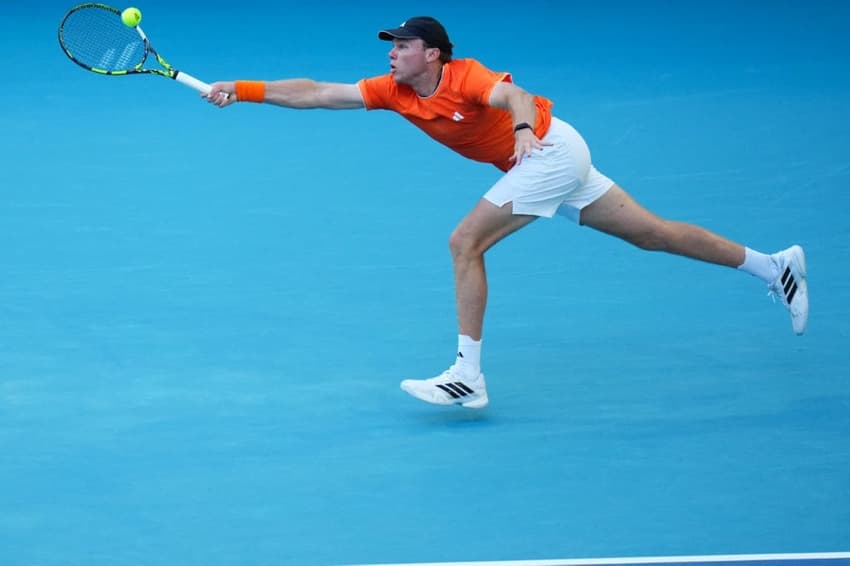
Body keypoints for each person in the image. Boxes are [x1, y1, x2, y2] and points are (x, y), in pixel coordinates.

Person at [203, 16, 809, 409]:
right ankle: (774, 267)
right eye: (390, 45)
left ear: (433, 54)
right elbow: (315, 91)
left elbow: (514, 94)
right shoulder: (392, 91)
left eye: (403, 45)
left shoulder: (466, 77)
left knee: (464, 243)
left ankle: (468, 375)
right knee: (650, 234)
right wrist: (242, 87)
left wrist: (520, 130)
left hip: (544, 151)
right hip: (552, 154)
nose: (392, 53)